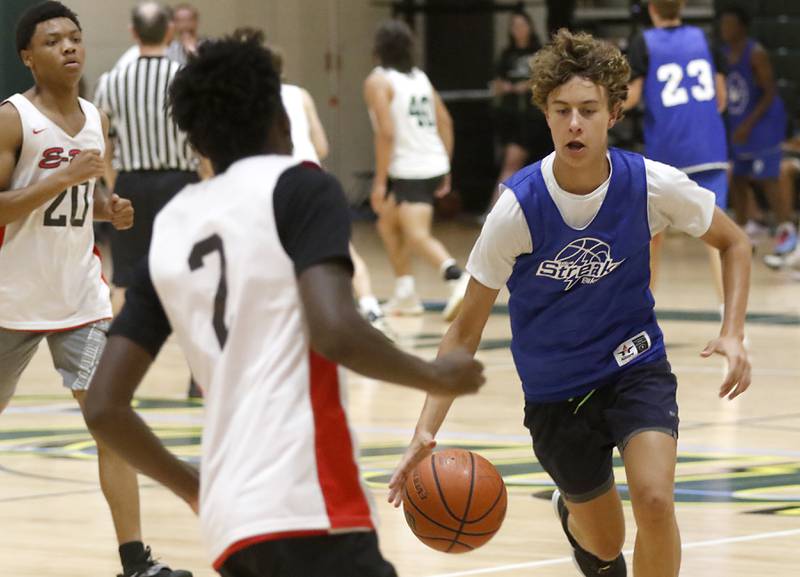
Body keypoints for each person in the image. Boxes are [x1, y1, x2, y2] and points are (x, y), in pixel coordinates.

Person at [82, 33, 485, 577]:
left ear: (196, 141)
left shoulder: (175, 222)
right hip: (307, 499)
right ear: (280, 116)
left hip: (229, 522)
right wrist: (434, 374)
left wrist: (193, 487)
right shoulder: (300, 186)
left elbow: (105, 406)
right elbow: (335, 331)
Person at [388, 29, 752, 577]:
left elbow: (736, 242)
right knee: (606, 546)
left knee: (655, 502)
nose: (575, 123)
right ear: (547, 115)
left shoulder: (650, 184)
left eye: (587, 109)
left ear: (613, 113)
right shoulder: (517, 208)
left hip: (635, 367)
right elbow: (464, 331)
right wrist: (425, 428)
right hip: (556, 393)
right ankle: (574, 515)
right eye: (562, 111)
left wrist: (733, 330)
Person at [0, 3, 190, 577]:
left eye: (75, 38)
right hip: (11, 299)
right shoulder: (12, 119)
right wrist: (60, 178)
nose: (69, 47)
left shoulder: (93, 116)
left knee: (110, 418)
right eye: (53, 40)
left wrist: (113, 208)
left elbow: (90, 198)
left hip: (80, 297)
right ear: (27, 57)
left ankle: (136, 562)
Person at [94, 1, 197, 313]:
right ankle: (197, 354)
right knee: (187, 272)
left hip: (130, 184)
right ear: (170, 31)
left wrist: (114, 182)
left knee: (124, 278)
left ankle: (114, 354)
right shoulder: (187, 78)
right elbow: (201, 138)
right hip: (181, 182)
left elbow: (102, 141)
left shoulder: (111, 81)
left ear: (133, 33)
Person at [364, 19, 469, 322]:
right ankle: (406, 292)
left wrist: (380, 182)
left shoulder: (378, 81)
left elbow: (385, 133)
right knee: (387, 223)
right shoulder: (420, 78)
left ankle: (456, 278)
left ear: (377, 49)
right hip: (432, 163)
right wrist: (446, 165)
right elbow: (445, 121)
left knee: (416, 235)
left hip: (409, 168)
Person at [624, 0, 729, 300]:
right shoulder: (706, 37)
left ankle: (641, 315)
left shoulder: (643, 40)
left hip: (667, 152)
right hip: (709, 148)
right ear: (682, 5)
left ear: (651, 8)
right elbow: (721, 98)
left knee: (652, 237)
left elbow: (632, 97)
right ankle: (731, 323)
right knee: (718, 238)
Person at [719, 4, 793, 260]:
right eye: (723, 24)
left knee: (769, 177)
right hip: (742, 120)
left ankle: (787, 232)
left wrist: (749, 124)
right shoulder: (726, 53)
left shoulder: (755, 53)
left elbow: (769, 92)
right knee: (738, 175)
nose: (725, 29)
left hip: (763, 122)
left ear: (742, 27)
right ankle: (746, 228)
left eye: (730, 24)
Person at [488, 9, 552, 213]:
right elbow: (496, 83)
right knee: (512, 163)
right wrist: (505, 87)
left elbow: (546, 81)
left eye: (522, 25)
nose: (519, 30)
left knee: (526, 165)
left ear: (530, 27)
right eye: (514, 26)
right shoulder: (506, 55)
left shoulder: (540, 52)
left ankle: (495, 211)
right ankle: (496, 212)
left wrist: (526, 86)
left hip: (535, 117)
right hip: (512, 117)